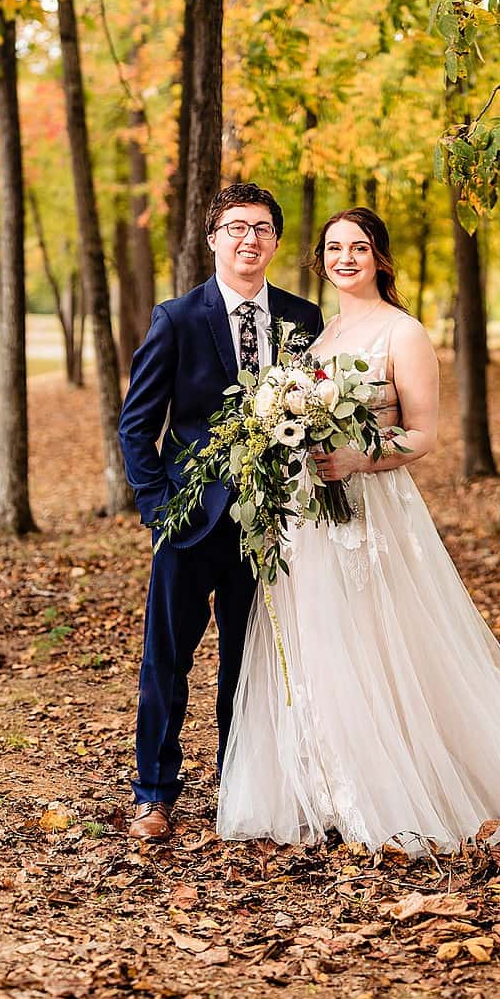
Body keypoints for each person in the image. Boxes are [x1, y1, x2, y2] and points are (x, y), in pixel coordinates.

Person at [217, 206, 500, 852]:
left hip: (375, 507)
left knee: (385, 645)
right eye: (334, 247)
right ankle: (333, 784)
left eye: (359, 247)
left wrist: (358, 457)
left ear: (380, 259)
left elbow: (423, 435)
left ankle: (400, 786)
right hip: (312, 517)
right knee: (323, 642)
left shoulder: (403, 333)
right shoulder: (320, 336)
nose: (345, 258)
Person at [119, 182, 323, 843]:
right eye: (236, 228)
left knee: (250, 663)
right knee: (166, 662)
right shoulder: (177, 318)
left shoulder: (303, 319)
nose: (249, 240)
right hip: (190, 523)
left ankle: (243, 787)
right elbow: (137, 426)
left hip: (271, 527)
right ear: (213, 239)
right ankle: (154, 792)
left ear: (276, 241)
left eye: (262, 229)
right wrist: (159, 509)